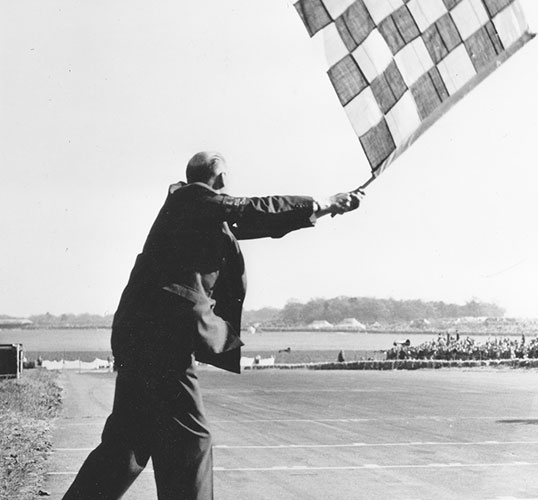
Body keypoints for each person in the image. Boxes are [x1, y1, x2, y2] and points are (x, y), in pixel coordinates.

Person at [63, 151, 362, 500]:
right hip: (162, 338)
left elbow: (255, 221)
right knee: (190, 442)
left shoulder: (191, 210)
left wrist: (324, 209)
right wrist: (323, 200)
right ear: (219, 178)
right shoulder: (192, 197)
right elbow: (250, 209)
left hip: (139, 335)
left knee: (129, 442)